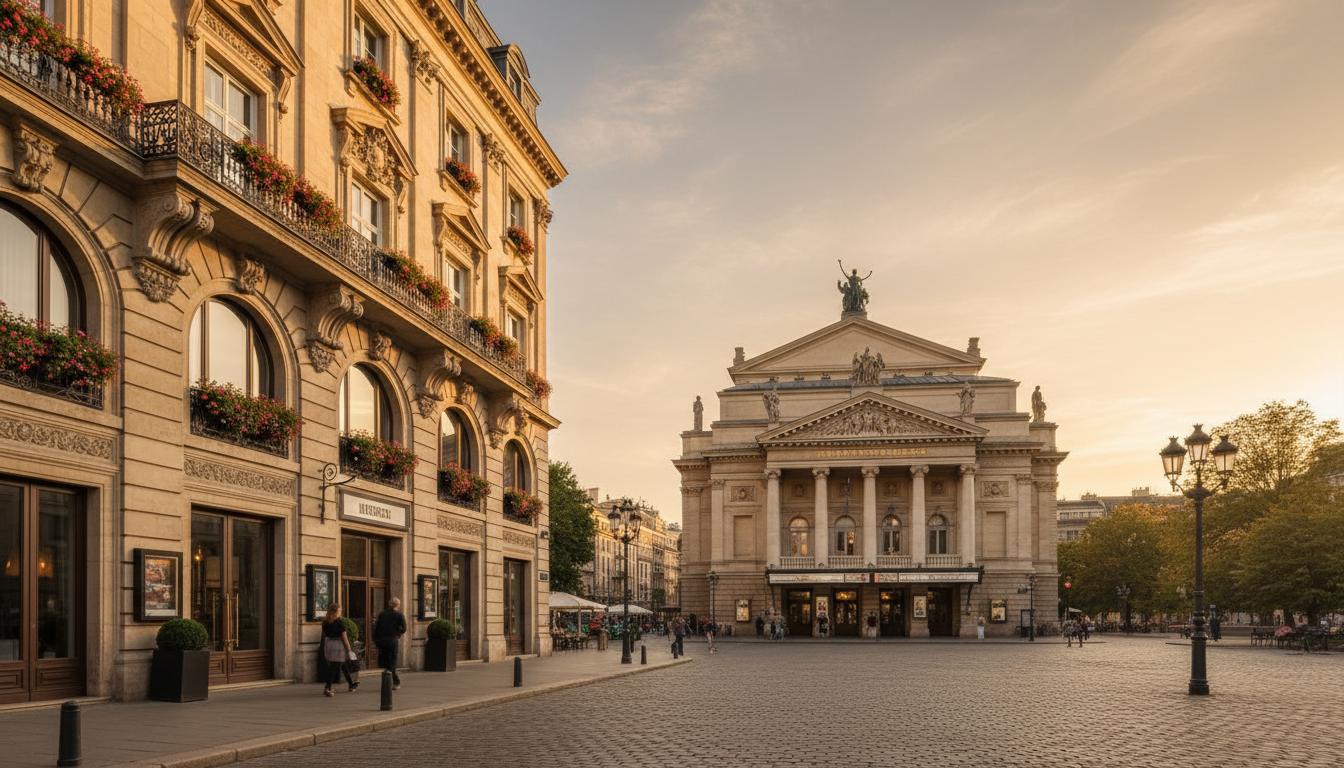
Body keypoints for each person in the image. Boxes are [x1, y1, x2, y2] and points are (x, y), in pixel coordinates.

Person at [321, 604, 357, 697]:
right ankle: (327, 688)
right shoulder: (339, 622)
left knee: (342, 664)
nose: (340, 612)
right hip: (338, 645)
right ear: (336, 612)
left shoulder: (325, 622)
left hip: (329, 644)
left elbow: (324, 634)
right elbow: (344, 638)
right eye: (339, 610)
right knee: (334, 667)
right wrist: (349, 649)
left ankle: (351, 683)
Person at [373, 596, 407, 690]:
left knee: (385, 662)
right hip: (392, 640)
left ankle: (388, 681)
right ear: (398, 605)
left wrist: (376, 641)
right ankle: (395, 682)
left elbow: (376, 628)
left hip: (382, 640)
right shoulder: (399, 615)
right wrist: (398, 634)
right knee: (392, 662)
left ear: (389, 604)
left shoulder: (382, 614)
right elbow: (404, 628)